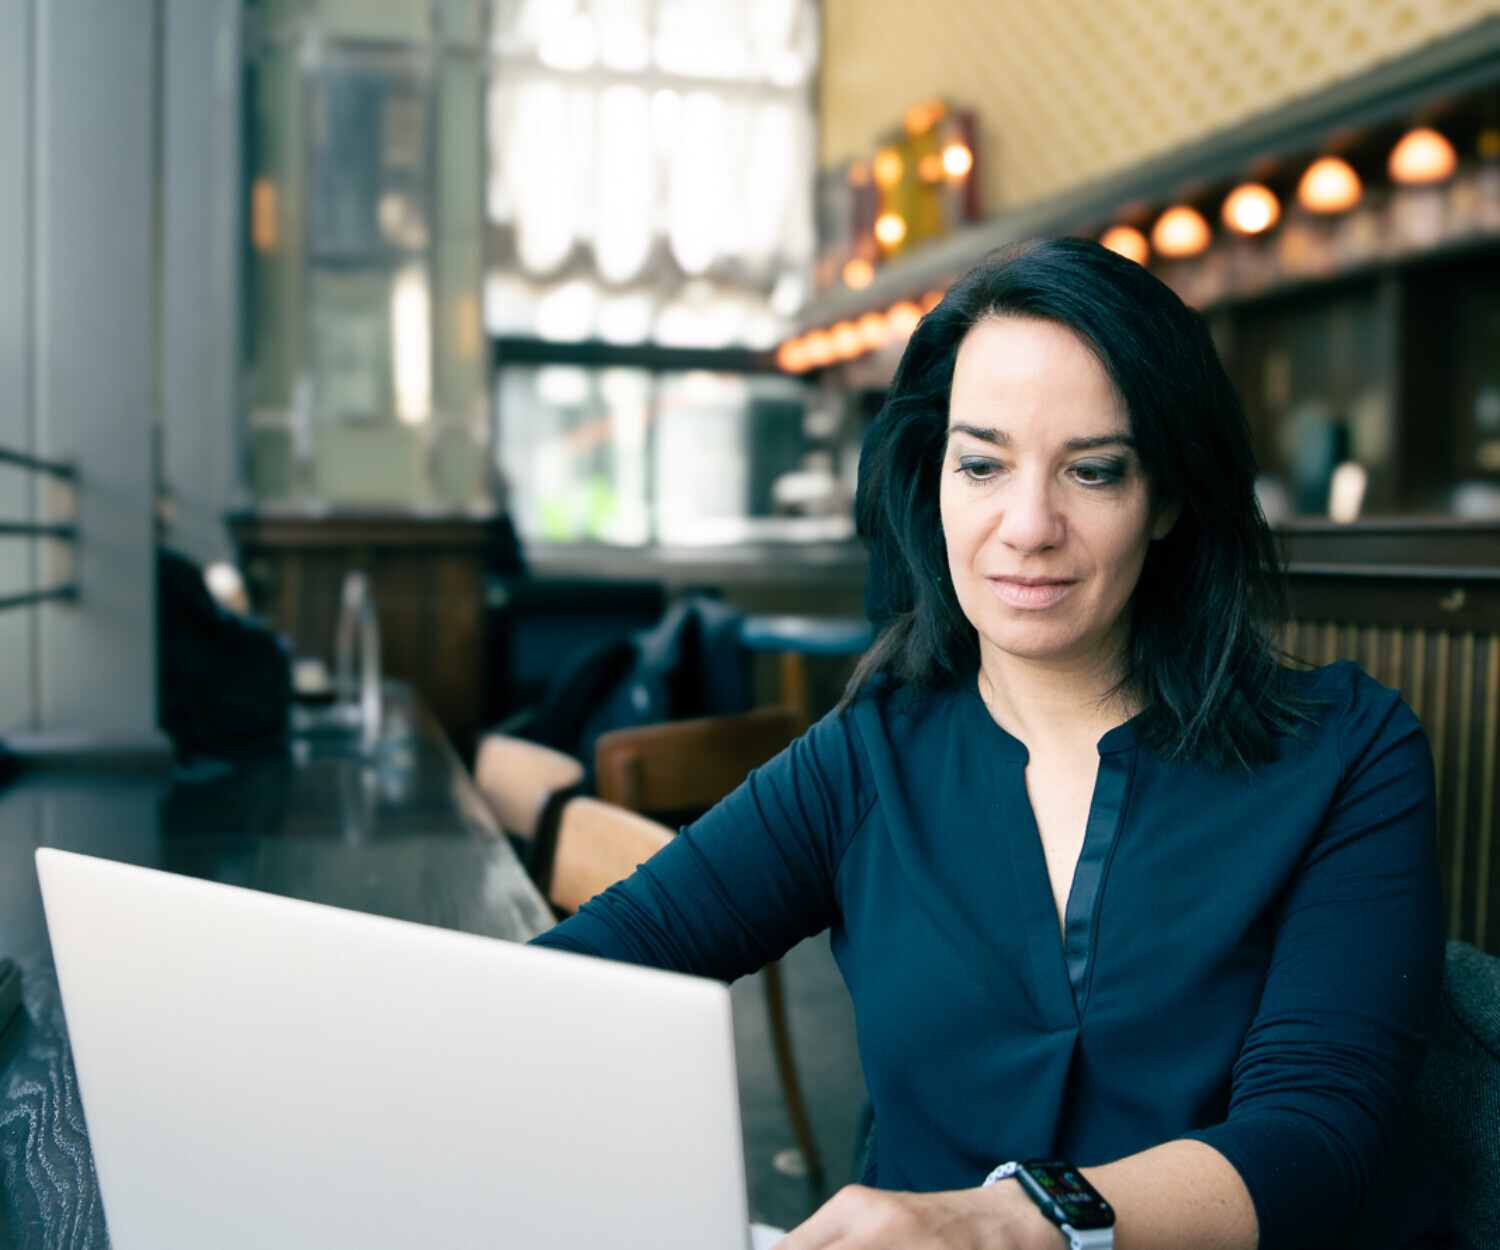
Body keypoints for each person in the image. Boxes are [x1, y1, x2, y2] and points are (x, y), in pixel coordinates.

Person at [533, 238, 1446, 1250]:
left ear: (1170, 498)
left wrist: (1014, 1222)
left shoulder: (1350, 752)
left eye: (1093, 471)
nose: (1026, 524)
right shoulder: (864, 755)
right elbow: (588, 975)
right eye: (982, 463)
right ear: (936, 480)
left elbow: (1315, 1137)